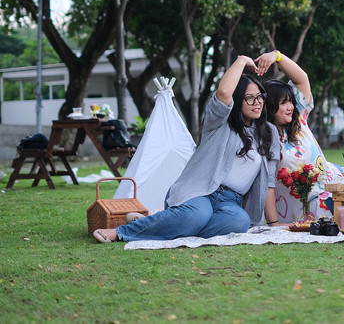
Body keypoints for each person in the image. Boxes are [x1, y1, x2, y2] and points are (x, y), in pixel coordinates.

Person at [92, 56, 281, 243]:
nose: (257, 102)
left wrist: (273, 223)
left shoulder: (269, 133)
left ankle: (155, 223)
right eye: (249, 98)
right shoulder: (219, 123)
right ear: (238, 99)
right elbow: (223, 93)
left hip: (231, 201)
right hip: (201, 191)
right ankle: (121, 232)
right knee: (197, 215)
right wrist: (241, 61)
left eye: (260, 97)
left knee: (239, 222)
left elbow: (268, 183)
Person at [255, 50, 342, 223]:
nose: (290, 107)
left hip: (335, 184)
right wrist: (273, 224)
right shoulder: (263, 139)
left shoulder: (299, 119)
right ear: (270, 106)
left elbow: (301, 79)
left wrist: (277, 56)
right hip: (301, 208)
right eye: (283, 103)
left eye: (291, 101)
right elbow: (267, 185)